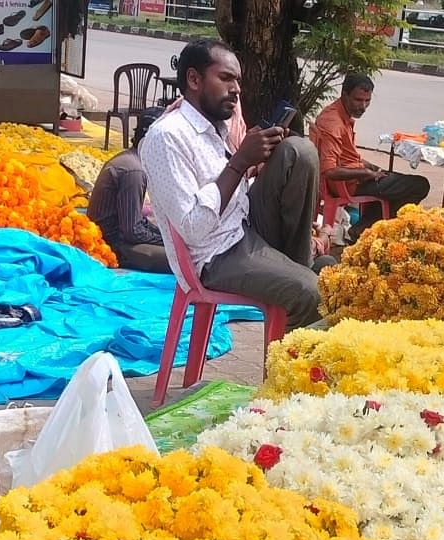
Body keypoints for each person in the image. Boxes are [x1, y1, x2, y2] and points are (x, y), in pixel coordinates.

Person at [139, 40, 327, 329]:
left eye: (237, 80)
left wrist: (257, 162)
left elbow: (233, 186)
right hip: (214, 254)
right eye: (225, 78)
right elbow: (192, 230)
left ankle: (297, 266)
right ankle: (285, 369)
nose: (237, 89)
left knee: (297, 152)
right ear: (193, 79)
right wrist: (239, 163)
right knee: (313, 293)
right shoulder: (166, 137)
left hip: (244, 226)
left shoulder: (219, 125)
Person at [310, 73, 430, 240]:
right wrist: (367, 174)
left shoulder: (337, 113)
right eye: (358, 100)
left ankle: (362, 229)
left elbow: (348, 157)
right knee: (420, 185)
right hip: (345, 185)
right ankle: (368, 230)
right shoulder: (334, 122)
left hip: (352, 177)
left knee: (393, 179)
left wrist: (371, 167)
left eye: (367, 101)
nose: (363, 106)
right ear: (344, 94)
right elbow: (330, 170)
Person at [87, 107, 170, 273]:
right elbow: (133, 232)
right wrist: (169, 241)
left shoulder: (131, 160)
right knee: (187, 262)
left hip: (120, 237)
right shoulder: (134, 171)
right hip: (114, 245)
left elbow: (135, 222)